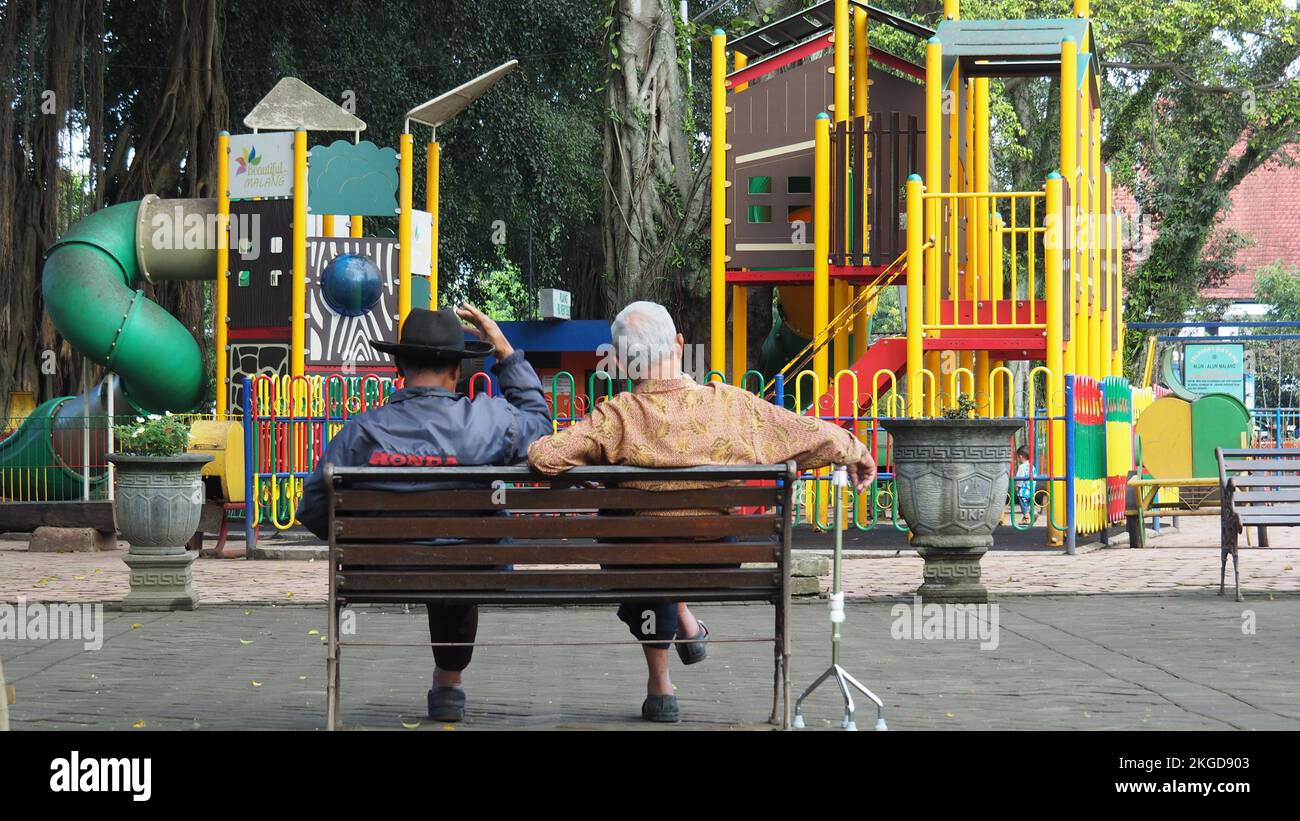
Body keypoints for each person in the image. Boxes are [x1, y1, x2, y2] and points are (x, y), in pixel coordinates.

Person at [527, 300, 876, 722]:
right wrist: (854, 450)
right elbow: (804, 432)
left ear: (620, 362)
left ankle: (661, 685)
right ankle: (683, 623)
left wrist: (593, 468)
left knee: (639, 543)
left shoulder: (615, 417)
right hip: (718, 560)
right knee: (666, 548)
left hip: (637, 561)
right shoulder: (731, 407)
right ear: (678, 344)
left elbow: (544, 457)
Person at [296, 305, 552, 723]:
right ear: (458, 369)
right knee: (460, 559)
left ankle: (439, 682)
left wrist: (363, 543)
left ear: (399, 365)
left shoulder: (361, 431)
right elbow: (540, 427)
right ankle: (449, 682)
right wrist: (505, 351)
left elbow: (313, 507)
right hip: (476, 567)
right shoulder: (491, 419)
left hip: (381, 572)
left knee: (442, 555)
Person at [1015, 445, 1035, 525]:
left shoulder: (1022, 467)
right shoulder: (1032, 466)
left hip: (1023, 490)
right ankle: (1032, 513)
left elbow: (1020, 478)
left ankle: (1027, 516)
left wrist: (1017, 486)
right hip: (1031, 490)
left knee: (1023, 504)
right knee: (1028, 504)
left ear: (1020, 457)